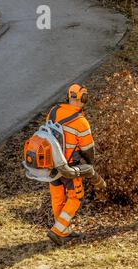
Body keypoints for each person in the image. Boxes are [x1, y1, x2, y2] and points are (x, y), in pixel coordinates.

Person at [46, 83, 105, 246]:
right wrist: (89, 166)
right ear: (83, 98)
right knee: (75, 198)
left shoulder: (54, 111)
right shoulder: (81, 122)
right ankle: (58, 230)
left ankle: (63, 230)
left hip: (51, 164)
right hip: (69, 166)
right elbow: (88, 150)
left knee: (58, 197)